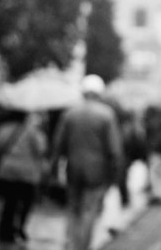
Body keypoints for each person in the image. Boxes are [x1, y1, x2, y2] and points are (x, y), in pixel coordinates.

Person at [51, 74, 123, 250]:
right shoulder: (107, 115)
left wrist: (54, 169)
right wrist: (116, 174)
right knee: (89, 211)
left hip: (73, 169)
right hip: (97, 172)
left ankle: (71, 244)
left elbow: (58, 144)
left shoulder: (70, 113)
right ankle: (82, 247)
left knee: (73, 210)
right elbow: (114, 149)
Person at [0, 110, 47, 243]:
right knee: (26, 202)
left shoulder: (3, 129)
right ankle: (20, 227)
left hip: (7, 169)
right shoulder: (33, 131)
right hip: (27, 172)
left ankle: (5, 231)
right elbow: (41, 149)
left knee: (9, 201)